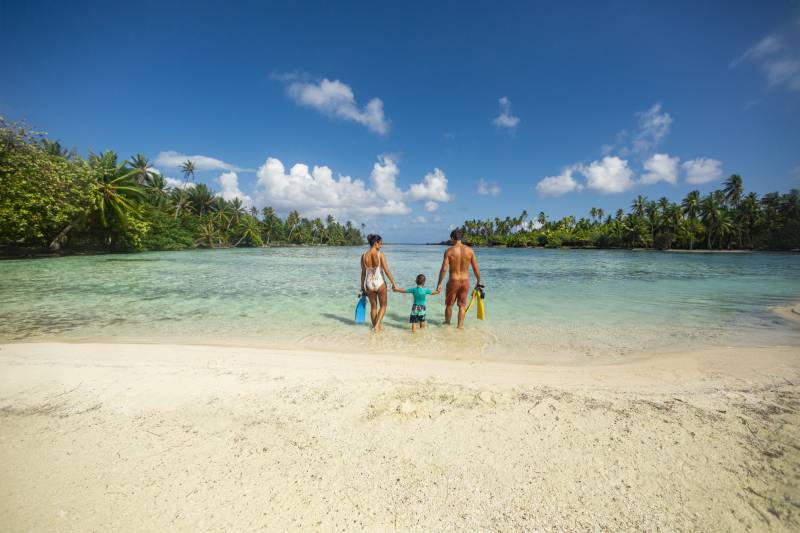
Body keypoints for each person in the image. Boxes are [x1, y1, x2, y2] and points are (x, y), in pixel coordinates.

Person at [436, 228, 481, 329]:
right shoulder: (470, 251)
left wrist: (439, 283)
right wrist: (478, 281)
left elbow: (444, 269)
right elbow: (475, 269)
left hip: (453, 281)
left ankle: (447, 324)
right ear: (461, 237)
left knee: (449, 305)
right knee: (462, 305)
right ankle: (460, 326)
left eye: (451, 239)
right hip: (465, 281)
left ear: (452, 238)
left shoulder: (449, 251)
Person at [360, 234, 397, 332]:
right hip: (380, 283)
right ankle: (377, 325)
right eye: (380, 243)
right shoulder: (380, 254)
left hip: (369, 284)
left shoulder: (363, 256)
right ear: (375, 243)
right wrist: (394, 283)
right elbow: (387, 271)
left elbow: (363, 273)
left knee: (373, 307)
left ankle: (375, 327)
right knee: (383, 306)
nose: (381, 245)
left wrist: (362, 286)